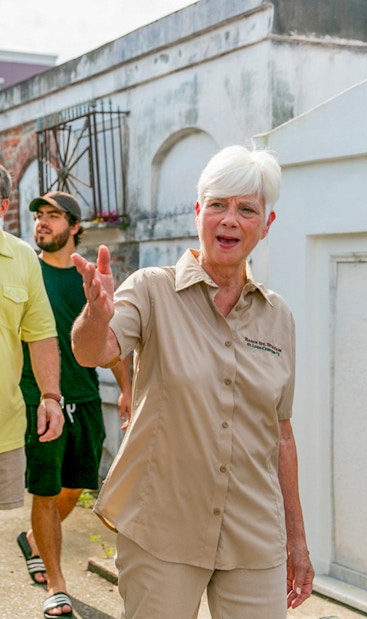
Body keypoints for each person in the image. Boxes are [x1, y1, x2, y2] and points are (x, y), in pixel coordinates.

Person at [71, 144, 315, 619]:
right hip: (162, 528)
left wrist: (298, 540)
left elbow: (281, 433)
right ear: (198, 212)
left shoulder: (278, 316)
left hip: (254, 532)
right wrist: (96, 316)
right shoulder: (150, 290)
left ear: (266, 225)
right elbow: (93, 351)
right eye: (218, 204)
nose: (230, 219)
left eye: (247, 209)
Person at [18, 191, 132, 619]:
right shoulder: (27, 270)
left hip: (84, 398)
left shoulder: (91, 277)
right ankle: (57, 583)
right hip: (40, 399)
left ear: (76, 227)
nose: (42, 223)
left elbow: (114, 336)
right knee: (45, 490)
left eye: (53, 216)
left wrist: (127, 388)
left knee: (78, 486)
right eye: (38, 216)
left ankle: (33, 539)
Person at [0, 165, 64, 513]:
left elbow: (40, 334)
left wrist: (50, 397)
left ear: (3, 207)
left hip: (3, 429)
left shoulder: (23, 257)